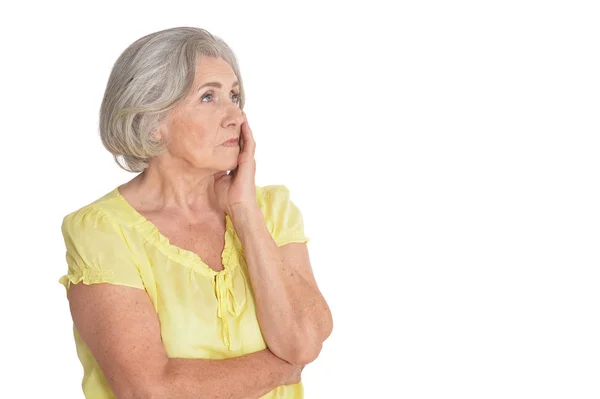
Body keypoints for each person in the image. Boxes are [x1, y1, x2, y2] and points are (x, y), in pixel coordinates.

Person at [58, 26, 333, 399]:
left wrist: (245, 214)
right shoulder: (103, 231)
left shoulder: (269, 209)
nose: (234, 115)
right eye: (208, 97)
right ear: (153, 122)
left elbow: (302, 342)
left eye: (234, 95)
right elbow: (148, 390)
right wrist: (279, 369)